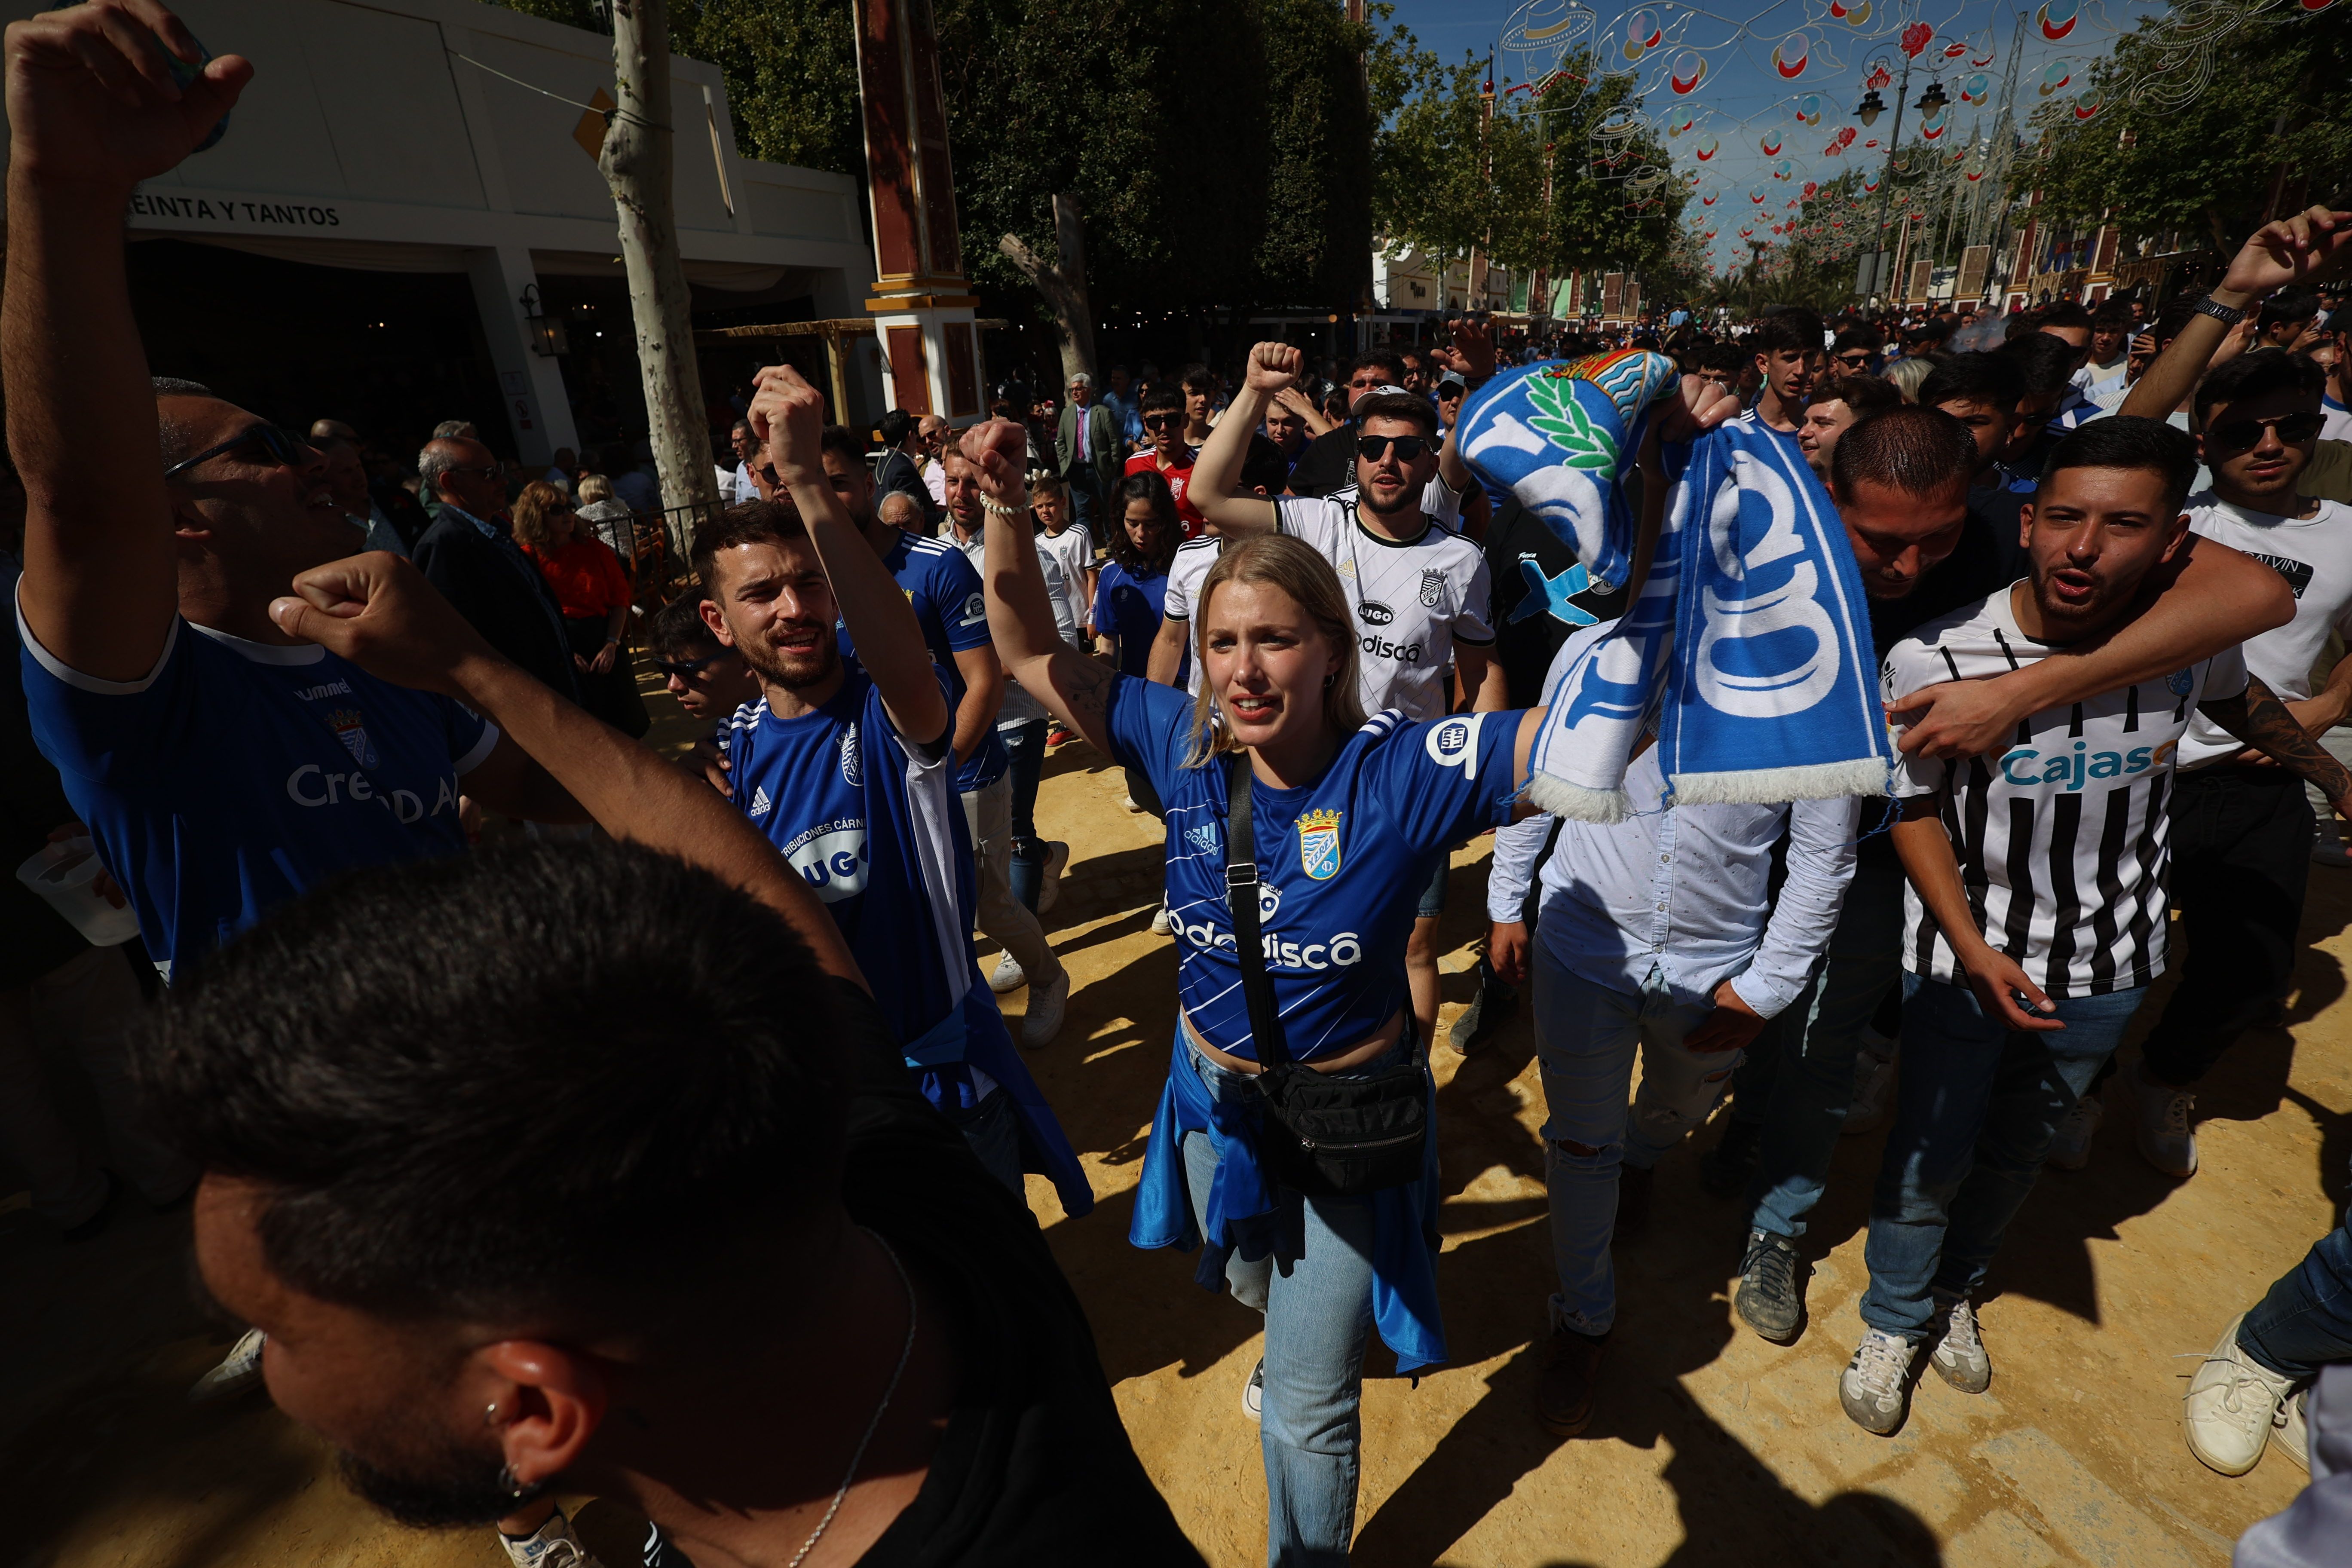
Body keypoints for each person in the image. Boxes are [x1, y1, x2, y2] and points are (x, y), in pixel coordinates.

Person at [159, 534, 1197, 1564]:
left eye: (284, 1331)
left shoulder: (914, 1186)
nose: (277, 1380)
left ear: (532, 1407)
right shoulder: (927, 1219)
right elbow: (777, 912)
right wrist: (470, 668)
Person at [0, 0, 588, 1445]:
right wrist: (66, 196)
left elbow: (546, 799)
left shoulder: (374, 652)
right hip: (331, 1130)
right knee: (472, 1393)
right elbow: (81, 493)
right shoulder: (146, 701)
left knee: (574, 1345)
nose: (318, 456)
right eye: (263, 445)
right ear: (179, 508)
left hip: (481, 1076)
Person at [967, 397, 1575, 1566]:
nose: (1244, 670)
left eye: (1276, 639)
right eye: (1224, 643)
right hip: (1205, 1101)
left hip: (1345, 1126)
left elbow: (1580, 736)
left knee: (1307, 1403)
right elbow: (1030, 652)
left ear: (1334, 650)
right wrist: (999, 509)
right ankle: (1292, 1322)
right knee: (1249, 1278)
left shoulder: (1408, 773)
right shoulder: (1167, 739)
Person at [1710, 406, 2297, 1346]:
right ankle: (1778, 1225)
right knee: (1823, 1044)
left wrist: (2023, 690)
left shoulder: (2021, 533)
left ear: (1989, 503)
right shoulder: (1769, 553)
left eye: (1935, 541)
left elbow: (2259, 598)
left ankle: (1900, 1255)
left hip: (1974, 851)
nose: (1908, 570)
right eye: (1880, 544)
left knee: (1922, 1082)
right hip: (1839, 841)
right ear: (1830, 502)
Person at [1843, 418, 2352, 1436]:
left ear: (2173, 543)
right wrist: (1971, 947)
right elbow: (1912, 815)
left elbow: (2241, 698)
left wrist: (2330, 776)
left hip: (2111, 963)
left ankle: (1955, 1293)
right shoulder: (1935, 653)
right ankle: (1893, 1316)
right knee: (1928, 1149)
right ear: (2026, 523)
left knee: (2017, 1149)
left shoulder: (2181, 643)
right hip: (1964, 961)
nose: (2084, 547)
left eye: (2121, 525)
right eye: (2064, 518)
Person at [695, 366, 1090, 1205]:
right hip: (822, 1113)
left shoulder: (884, 710)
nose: (793, 609)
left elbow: (920, 673)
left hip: (946, 1101)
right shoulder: (724, 760)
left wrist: (805, 480)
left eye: (810, 585)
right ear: (717, 621)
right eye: (760, 593)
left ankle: (1044, 973)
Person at [1491, 606, 1856, 1436]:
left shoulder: (1818, 686)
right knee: (1581, 1144)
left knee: (1680, 1104)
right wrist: (1507, 899)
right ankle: (1585, 1319)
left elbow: (1823, 855)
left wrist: (1767, 987)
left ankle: (1648, 1154)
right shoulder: (1589, 651)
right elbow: (1538, 779)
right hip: (1582, 951)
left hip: (1714, 971)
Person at [1191, 343, 1500, 1050]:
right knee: (1303, 933)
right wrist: (1253, 391)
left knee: (1413, 948)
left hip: (1403, 785)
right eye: (1372, 447)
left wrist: (1478, 778)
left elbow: (1480, 677)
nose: (1387, 461)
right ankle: (1300, 1061)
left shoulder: (1461, 561)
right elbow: (1207, 496)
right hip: (1306, 778)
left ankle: (1407, 1082)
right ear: (1354, 456)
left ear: (1430, 461)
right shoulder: (1315, 523)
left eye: (1406, 448)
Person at [2112, 350, 2352, 1179]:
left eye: (2292, 426)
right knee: (2106, 952)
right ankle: (2073, 1088)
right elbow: (2123, 434)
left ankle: (2163, 1077)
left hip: (2263, 782)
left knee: (2251, 970)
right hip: (2137, 777)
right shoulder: (2172, 518)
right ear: (2204, 438)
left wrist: (2324, 708)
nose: (2269, 444)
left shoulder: (2348, 533)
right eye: (2243, 430)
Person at [940, 458, 1073, 931]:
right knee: (981, 831)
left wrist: (988, 675)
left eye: (972, 484)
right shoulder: (934, 554)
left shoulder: (1031, 555)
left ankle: (1024, 951)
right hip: (956, 722)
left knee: (1013, 829)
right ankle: (1045, 858)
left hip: (1015, 718)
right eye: (952, 481)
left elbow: (1061, 638)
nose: (961, 493)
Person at [412, 438, 582, 703]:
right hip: (520, 702)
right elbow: (459, 645)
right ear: (450, 482)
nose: (503, 481)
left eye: (500, 470)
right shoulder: (444, 545)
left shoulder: (499, 529)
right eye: (489, 475)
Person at [513, 481, 649, 739]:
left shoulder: (595, 549)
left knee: (627, 725)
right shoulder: (527, 558)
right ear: (536, 515)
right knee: (584, 730)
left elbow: (620, 600)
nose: (567, 514)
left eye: (570, 507)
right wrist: (564, 652)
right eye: (557, 510)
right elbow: (530, 616)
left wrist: (612, 644)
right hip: (559, 645)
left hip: (603, 637)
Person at [645, 590, 757, 736]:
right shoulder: (721, 735)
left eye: (688, 671)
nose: (673, 686)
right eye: (665, 669)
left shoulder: (781, 746)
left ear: (746, 661)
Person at [1127, 387, 1205, 539]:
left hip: (1189, 559)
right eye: (1154, 421)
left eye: (1172, 420)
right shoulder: (1133, 465)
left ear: (1185, 421)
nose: (1163, 428)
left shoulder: (1202, 468)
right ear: (1145, 425)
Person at [315, 432, 409, 557]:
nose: (359, 477)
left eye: (358, 466)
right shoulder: (323, 526)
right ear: (324, 477)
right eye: (346, 471)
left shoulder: (399, 499)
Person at [1796, 374, 1902, 481]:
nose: (1803, 433)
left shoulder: (1893, 493)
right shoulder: (1793, 490)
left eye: (1822, 424)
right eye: (1805, 422)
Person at [1029, 472, 1094, 643]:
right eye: (1040, 506)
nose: (1045, 511)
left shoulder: (1079, 534)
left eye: (1050, 505)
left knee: (1085, 668)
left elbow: (1092, 577)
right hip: (1053, 620)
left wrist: (1093, 617)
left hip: (1080, 617)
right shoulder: (1036, 543)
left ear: (1063, 502)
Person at [1740, 309, 1823, 436]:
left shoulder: (1823, 434)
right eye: (1790, 358)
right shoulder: (1737, 430)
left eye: (1809, 356)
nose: (1800, 371)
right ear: (1763, 364)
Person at [1057, 371, 1121, 533]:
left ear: (1089, 390)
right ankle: (1085, 545)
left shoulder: (1102, 412)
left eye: (1079, 389)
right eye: (1073, 390)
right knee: (1082, 511)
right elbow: (1061, 442)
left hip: (1098, 469)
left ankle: (1110, 543)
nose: (1075, 393)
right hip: (1076, 470)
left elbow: (1114, 442)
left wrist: (1112, 467)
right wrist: (1065, 463)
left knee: (1106, 507)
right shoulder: (1067, 414)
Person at [871, 409, 933, 530]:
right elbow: (910, 516)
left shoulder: (879, 466)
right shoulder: (903, 470)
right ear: (910, 436)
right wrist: (946, 516)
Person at [573, 471, 640, 572]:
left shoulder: (589, 511)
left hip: (615, 562)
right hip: (632, 558)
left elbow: (573, 521)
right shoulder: (619, 506)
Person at [716, 418, 762, 504]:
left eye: (738, 441)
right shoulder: (741, 468)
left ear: (752, 439)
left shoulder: (768, 463)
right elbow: (739, 501)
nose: (734, 446)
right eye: (733, 442)